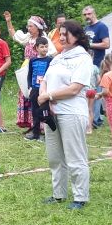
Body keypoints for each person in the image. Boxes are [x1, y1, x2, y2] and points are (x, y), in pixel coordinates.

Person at [38, 21, 95, 209]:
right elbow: (45, 79)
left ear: (77, 36)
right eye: (60, 34)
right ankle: (58, 194)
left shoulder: (84, 59)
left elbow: (75, 88)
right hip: (52, 113)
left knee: (75, 156)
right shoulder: (58, 57)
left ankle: (80, 197)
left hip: (71, 112)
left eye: (65, 34)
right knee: (55, 157)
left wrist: (49, 95)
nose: (61, 37)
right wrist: (44, 97)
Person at [82, 6, 111, 130]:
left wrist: (90, 44)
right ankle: (89, 117)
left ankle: (96, 119)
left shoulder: (101, 27)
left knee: (97, 90)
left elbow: (107, 44)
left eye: (89, 14)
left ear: (94, 13)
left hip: (98, 63)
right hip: (86, 63)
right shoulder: (86, 28)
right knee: (88, 90)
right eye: (85, 14)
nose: (87, 16)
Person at [25, 38, 53, 141]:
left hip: (45, 91)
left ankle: (48, 134)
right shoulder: (32, 60)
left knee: (45, 112)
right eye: (42, 47)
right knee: (35, 112)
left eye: (46, 46)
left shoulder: (50, 60)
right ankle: (35, 133)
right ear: (36, 48)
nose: (44, 49)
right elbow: (29, 75)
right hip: (35, 89)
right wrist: (29, 87)